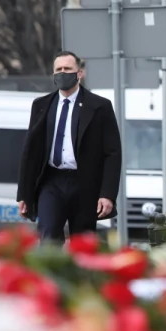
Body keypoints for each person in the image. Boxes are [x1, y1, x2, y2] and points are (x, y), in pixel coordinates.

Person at [17, 51, 121, 242]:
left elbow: (112, 153)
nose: (62, 73)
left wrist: (107, 195)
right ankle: (50, 271)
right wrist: (24, 194)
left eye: (68, 69)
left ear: (79, 73)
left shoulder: (99, 107)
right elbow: (30, 151)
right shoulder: (41, 105)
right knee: (48, 235)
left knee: (83, 241)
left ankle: (81, 271)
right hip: (51, 181)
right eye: (58, 69)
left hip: (84, 183)